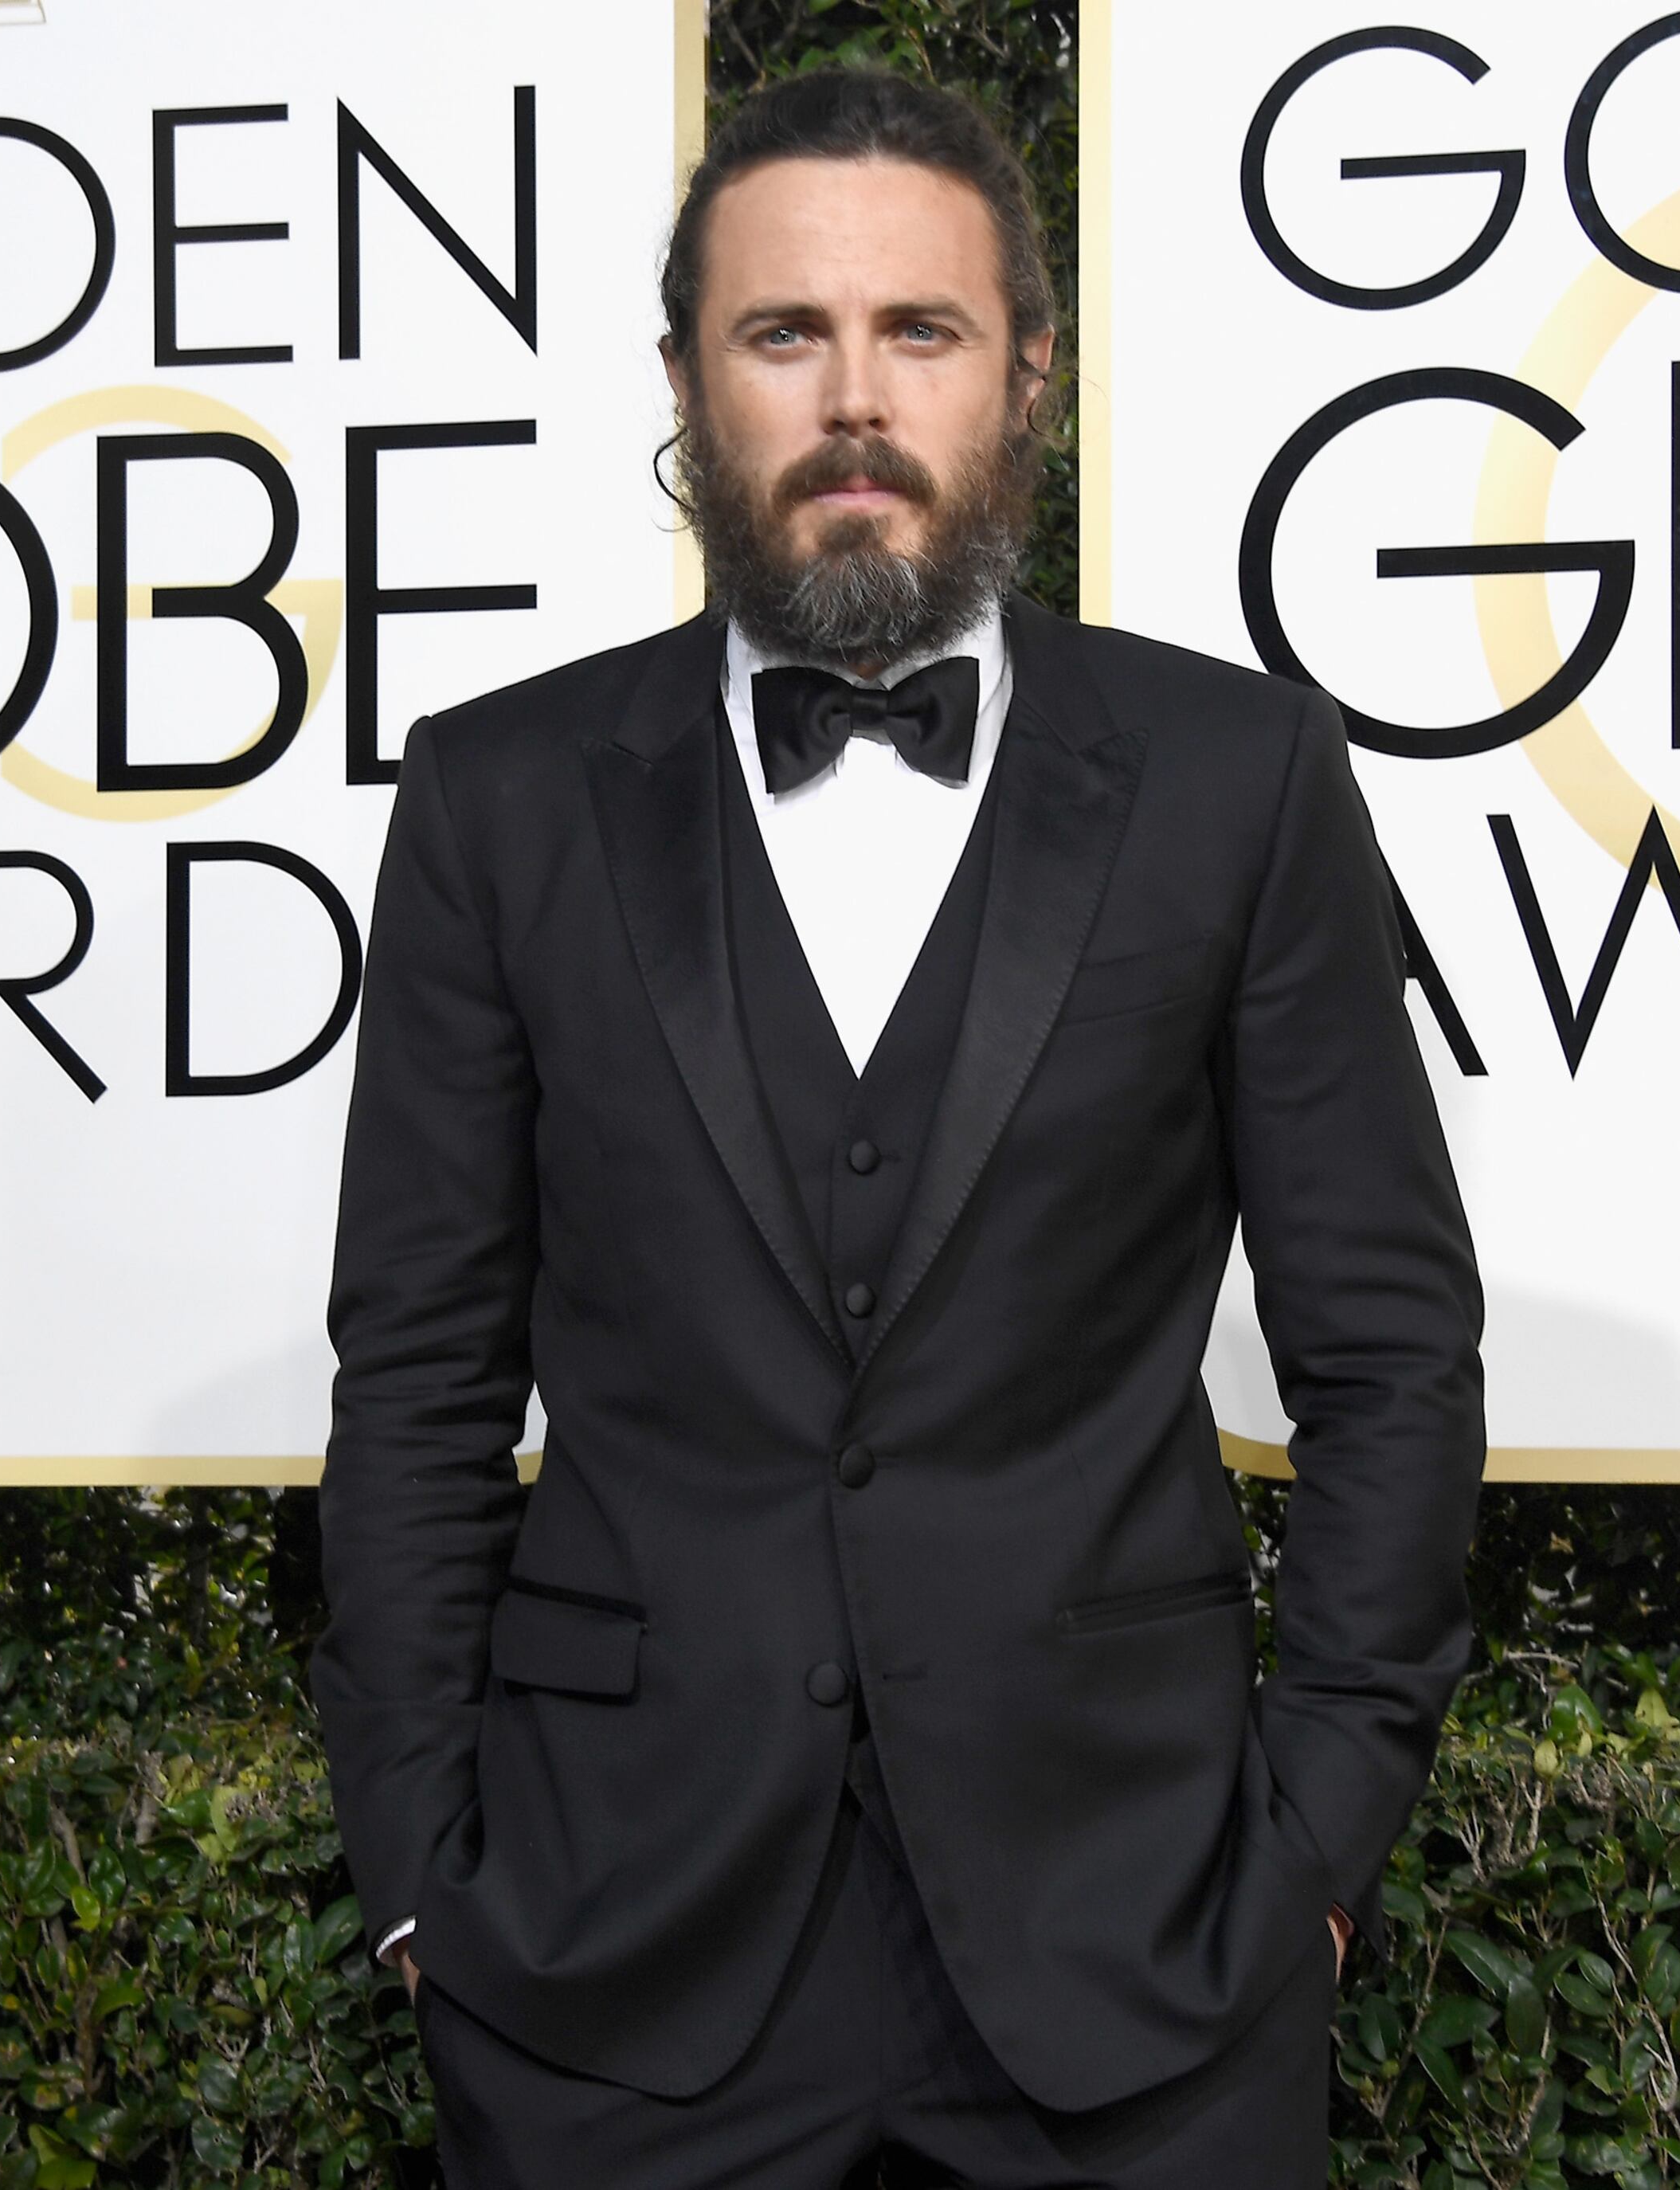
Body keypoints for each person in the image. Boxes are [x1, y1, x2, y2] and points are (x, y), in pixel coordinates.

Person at [311, 66, 1485, 2190]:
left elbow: (1389, 1353)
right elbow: (416, 1371)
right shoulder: (500, 797)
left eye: (920, 333)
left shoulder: (1240, 778)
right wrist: (421, 1873)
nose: (855, 402)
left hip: (1140, 1960)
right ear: (687, 374)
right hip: (607, 1966)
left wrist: (1313, 1849)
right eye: (786, 335)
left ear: (1029, 372)